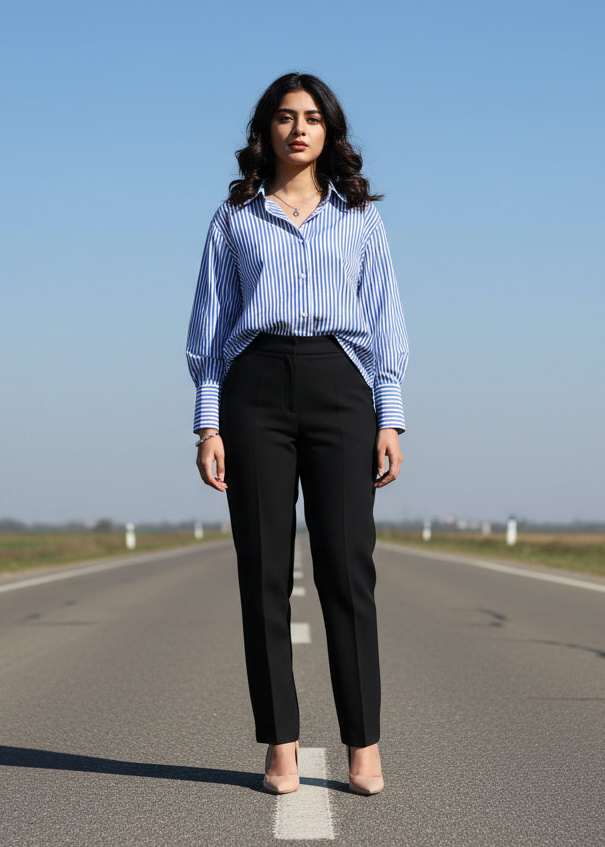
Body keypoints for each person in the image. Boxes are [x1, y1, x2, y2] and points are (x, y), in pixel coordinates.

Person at [186, 72, 408, 796]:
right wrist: (208, 424)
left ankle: (363, 744)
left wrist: (390, 414)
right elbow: (210, 333)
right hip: (254, 390)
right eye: (286, 117)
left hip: (342, 388)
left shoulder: (361, 219)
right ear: (267, 131)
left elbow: (385, 323)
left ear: (329, 130)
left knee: (348, 570)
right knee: (264, 576)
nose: (300, 129)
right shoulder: (234, 220)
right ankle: (280, 744)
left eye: (313, 117)